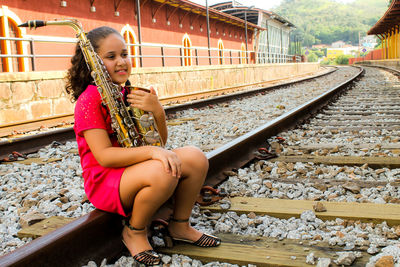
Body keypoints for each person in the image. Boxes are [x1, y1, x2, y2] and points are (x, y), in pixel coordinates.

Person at [65, 26, 220, 266]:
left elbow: (159, 143)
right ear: (92, 64)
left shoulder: (127, 93)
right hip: (105, 180)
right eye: (111, 56)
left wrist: (157, 110)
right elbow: (104, 157)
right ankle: (134, 231)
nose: (121, 62)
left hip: (134, 170)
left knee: (195, 158)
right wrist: (153, 152)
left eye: (124, 54)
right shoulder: (89, 100)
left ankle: (180, 226)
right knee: (164, 168)